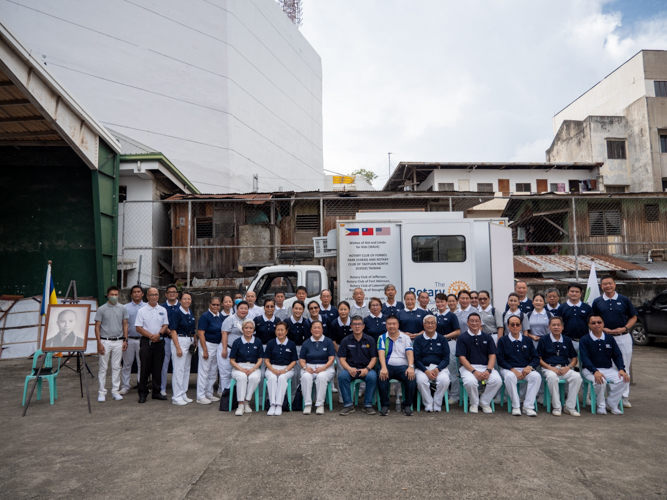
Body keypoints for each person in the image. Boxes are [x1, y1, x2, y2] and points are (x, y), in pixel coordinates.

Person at [592, 277, 637, 408]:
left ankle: (624, 397)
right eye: (604, 284)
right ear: (601, 286)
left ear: (614, 284)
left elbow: (634, 317)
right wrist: (601, 328)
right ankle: (611, 397)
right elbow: (593, 319)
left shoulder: (624, 300)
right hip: (604, 337)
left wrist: (625, 328)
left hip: (622, 337)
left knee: (624, 367)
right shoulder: (597, 301)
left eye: (610, 283)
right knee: (608, 367)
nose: (607, 286)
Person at [579, 314, 630, 415]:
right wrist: (595, 371)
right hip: (589, 370)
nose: (596, 325)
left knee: (623, 380)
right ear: (589, 325)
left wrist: (621, 369)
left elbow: (617, 355)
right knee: (600, 381)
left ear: (603, 324)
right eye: (593, 323)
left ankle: (611, 403)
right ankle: (601, 405)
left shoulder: (610, 339)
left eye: (599, 322)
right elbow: (584, 358)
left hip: (608, 368)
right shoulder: (584, 339)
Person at [455, 313, 502, 413]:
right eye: (471, 321)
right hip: (468, 368)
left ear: (480, 323)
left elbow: (492, 355)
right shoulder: (462, 337)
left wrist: (488, 370)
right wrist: (474, 371)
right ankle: (474, 403)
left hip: (485, 366)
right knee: (471, 382)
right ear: (467, 323)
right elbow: (462, 358)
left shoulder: (487, 337)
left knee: (497, 380)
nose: (474, 323)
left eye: (477, 321)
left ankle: (484, 402)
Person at [537, 317, 582, 417]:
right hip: (549, 368)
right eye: (553, 325)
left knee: (577, 377)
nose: (556, 327)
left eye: (558, 325)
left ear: (562, 327)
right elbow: (538, 358)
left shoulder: (567, 340)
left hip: (565, 368)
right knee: (552, 377)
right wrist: (550, 368)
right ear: (549, 327)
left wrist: (569, 367)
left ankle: (569, 406)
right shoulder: (544, 339)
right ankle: (557, 406)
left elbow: (574, 358)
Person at [497, 316, 541, 417]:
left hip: (525, 369)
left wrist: (529, 367)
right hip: (508, 369)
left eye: (517, 324)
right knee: (510, 377)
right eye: (512, 324)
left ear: (521, 326)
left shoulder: (527, 340)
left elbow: (535, 358)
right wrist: (513, 370)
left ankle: (528, 406)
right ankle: (516, 406)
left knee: (536, 376)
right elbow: (500, 360)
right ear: (508, 326)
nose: (515, 326)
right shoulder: (502, 340)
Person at [377, 315, 417, 417]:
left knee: (411, 378)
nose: (392, 326)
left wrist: (411, 366)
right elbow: (381, 353)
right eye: (389, 324)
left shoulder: (405, 337)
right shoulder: (382, 337)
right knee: (381, 377)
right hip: (388, 365)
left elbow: (409, 353)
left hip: (402, 366)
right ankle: (385, 405)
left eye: (394, 324)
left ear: (398, 325)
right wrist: (383, 367)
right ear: (386, 325)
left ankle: (407, 405)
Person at [337, 316, 378, 415]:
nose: (357, 326)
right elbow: (342, 359)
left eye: (359, 324)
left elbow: (374, 358)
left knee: (372, 376)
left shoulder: (370, 340)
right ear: (351, 326)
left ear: (363, 326)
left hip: (366, 369)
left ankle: (368, 405)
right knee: (342, 376)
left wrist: (367, 369)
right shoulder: (346, 340)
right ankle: (348, 405)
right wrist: (349, 369)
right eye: (355, 324)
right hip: (351, 369)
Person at [94, 286, 129, 402]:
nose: (114, 297)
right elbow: (97, 327)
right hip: (105, 340)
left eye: (116, 294)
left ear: (118, 295)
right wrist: (99, 343)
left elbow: (125, 324)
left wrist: (125, 339)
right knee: (103, 367)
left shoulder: (123, 308)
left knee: (116, 366)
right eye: (111, 294)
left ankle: (115, 391)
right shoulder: (101, 309)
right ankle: (102, 392)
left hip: (118, 340)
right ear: (107, 295)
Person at [135, 287, 169, 403]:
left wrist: (158, 335)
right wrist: (151, 336)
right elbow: (138, 328)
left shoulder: (163, 310)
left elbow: (165, 325)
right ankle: (143, 393)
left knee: (157, 368)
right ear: (147, 296)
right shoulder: (142, 311)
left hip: (159, 341)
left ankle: (156, 392)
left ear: (158, 296)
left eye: (156, 294)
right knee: (145, 368)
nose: (154, 297)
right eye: (151, 295)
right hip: (146, 341)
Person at [413, 315, 450, 412]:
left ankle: (437, 402)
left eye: (432, 323)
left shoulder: (442, 339)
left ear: (436, 325)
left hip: (439, 368)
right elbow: (416, 359)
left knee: (445, 380)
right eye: (428, 323)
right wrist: (426, 371)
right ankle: (428, 403)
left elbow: (446, 359)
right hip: (423, 368)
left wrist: (437, 369)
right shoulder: (418, 339)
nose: (430, 325)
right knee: (421, 380)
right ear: (423, 325)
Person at [299, 320, 335, 415]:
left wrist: (324, 368)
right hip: (309, 367)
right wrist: (305, 367)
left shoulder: (328, 341)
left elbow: (331, 358)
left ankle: (320, 404)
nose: (317, 330)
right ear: (311, 330)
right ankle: (308, 404)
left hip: (326, 367)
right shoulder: (306, 343)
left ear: (322, 329)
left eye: (319, 327)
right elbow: (301, 360)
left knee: (321, 376)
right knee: (306, 377)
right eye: (314, 328)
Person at [229, 319, 264, 416]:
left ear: (253, 329)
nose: (248, 330)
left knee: (255, 377)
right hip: (239, 366)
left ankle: (246, 401)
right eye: (246, 328)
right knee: (242, 377)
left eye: (251, 328)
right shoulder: (237, 342)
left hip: (253, 366)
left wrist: (253, 369)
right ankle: (240, 405)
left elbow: (260, 359)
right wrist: (241, 369)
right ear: (243, 329)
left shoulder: (257, 341)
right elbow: (232, 360)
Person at [217, 301, 250, 402]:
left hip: (239, 352)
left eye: (246, 309)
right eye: (241, 308)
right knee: (225, 374)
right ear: (236, 308)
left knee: (236, 373)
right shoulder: (230, 319)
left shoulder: (247, 321)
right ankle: (226, 398)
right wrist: (224, 349)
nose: (243, 310)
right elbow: (224, 333)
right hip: (227, 349)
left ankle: (235, 397)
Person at [263, 321, 297, 416]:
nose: (280, 332)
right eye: (278, 330)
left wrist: (285, 370)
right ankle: (272, 404)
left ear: (286, 331)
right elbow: (266, 360)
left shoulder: (291, 344)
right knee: (272, 378)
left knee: (282, 378)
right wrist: (273, 370)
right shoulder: (271, 343)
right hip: (272, 367)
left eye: (282, 330)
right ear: (275, 331)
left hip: (287, 369)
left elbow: (294, 361)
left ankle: (279, 405)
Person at [168, 291, 196, 406]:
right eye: (185, 299)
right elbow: (173, 331)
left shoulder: (190, 312)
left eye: (189, 299)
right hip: (179, 340)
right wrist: (178, 347)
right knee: (178, 370)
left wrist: (195, 342)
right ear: (180, 300)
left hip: (189, 341)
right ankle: (177, 396)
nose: (187, 301)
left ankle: (183, 393)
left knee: (186, 369)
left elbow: (193, 329)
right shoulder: (176, 313)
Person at [196, 296, 224, 405]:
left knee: (213, 371)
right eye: (213, 304)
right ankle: (200, 395)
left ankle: (208, 393)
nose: (216, 306)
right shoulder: (205, 316)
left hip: (217, 346)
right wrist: (205, 349)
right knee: (204, 371)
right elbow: (200, 333)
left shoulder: (220, 316)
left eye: (217, 305)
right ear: (209, 304)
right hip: (207, 345)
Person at [434, 293, 461, 404]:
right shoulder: (434, 316)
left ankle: (454, 396)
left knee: (452, 370)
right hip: (437, 346)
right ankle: (442, 395)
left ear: (446, 303)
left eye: (442, 302)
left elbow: (458, 331)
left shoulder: (451, 316)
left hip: (449, 344)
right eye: (438, 302)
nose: (440, 304)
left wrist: (444, 337)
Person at [120, 285, 145, 394]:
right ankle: (125, 386)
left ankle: (141, 384)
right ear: (131, 294)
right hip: (129, 339)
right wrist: (124, 339)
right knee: (127, 364)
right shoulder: (125, 307)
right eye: (134, 292)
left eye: (138, 292)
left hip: (142, 340)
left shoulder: (147, 307)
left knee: (142, 364)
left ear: (142, 294)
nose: (136, 294)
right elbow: (123, 324)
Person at [160, 285, 180, 397]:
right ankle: (162, 387)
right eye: (169, 292)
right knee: (164, 364)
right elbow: (161, 323)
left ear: (177, 294)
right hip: (166, 339)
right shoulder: (161, 308)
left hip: (179, 340)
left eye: (174, 292)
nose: (172, 294)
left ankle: (178, 387)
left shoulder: (182, 306)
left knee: (178, 365)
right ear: (166, 294)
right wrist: (169, 332)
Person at [558, 284, 593, 350]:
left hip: (584, 341)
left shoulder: (587, 308)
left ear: (580, 294)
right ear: (568, 293)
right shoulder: (561, 308)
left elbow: (592, 323)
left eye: (577, 292)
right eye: (572, 291)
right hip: (567, 341)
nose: (574, 293)